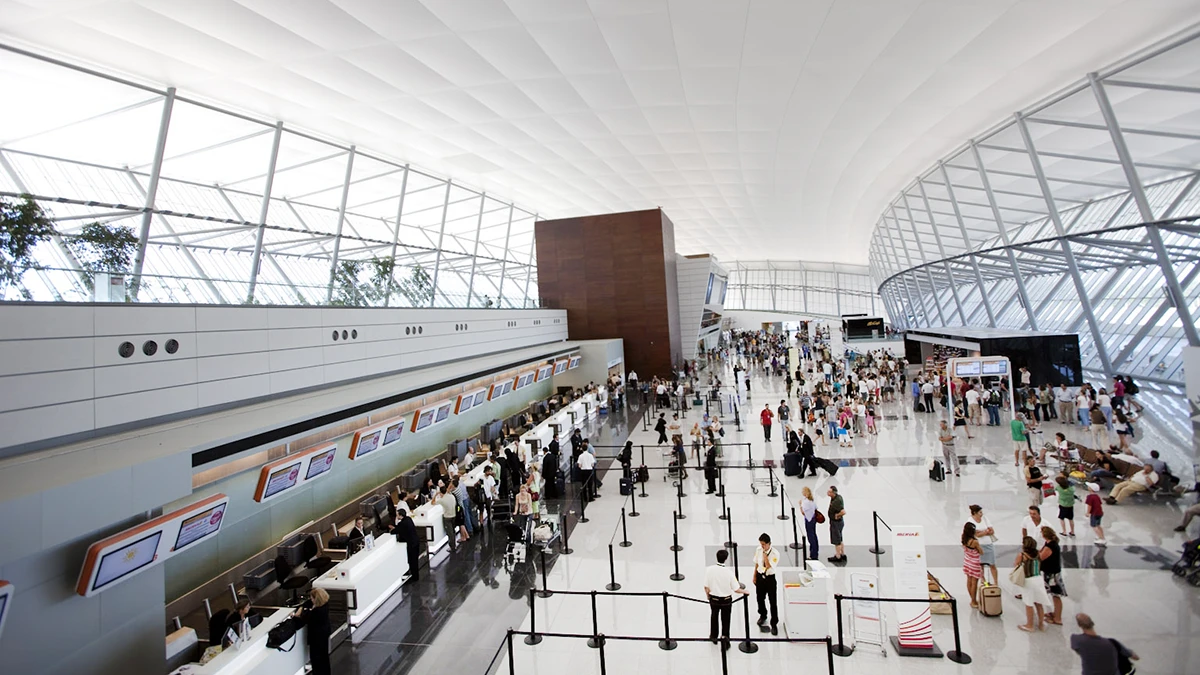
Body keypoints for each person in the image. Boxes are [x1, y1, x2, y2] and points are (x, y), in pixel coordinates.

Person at [704, 548, 749, 650]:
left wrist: (708, 596)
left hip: (714, 598)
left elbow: (706, 586)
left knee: (714, 616)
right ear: (726, 559)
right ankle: (725, 641)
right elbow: (736, 589)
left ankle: (713, 636)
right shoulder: (729, 573)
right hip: (726, 600)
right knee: (726, 620)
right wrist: (745, 592)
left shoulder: (710, 570)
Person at [1071, 613, 1136, 675]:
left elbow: (1078, 650)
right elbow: (1135, 657)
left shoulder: (1076, 639)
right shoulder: (1112, 643)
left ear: (1079, 625)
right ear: (1092, 623)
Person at [292, 587, 332, 675]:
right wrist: (303, 606)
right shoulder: (324, 605)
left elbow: (301, 621)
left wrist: (296, 615)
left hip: (316, 639)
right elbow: (308, 603)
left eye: (312, 598)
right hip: (324, 635)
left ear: (316, 599)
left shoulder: (316, 613)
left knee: (317, 661)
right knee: (324, 659)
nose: (311, 600)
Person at [1015, 536, 1050, 632]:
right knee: (1039, 602)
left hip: (1028, 580)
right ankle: (1041, 624)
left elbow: (1016, 565)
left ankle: (1029, 625)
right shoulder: (1038, 554)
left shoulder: (1022, 555)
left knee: (1029, 603)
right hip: (1038, 579)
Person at [1039, 526, 1067, 625]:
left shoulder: (1050, 546)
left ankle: (1058, 618)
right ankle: (1055, 613)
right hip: (1051, 572)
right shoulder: (1049, 543)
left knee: (1056, 595)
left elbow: (1040, 557)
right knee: (1053, 594)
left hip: (1052, 574)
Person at [753, 533, 780, 635]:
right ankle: (763, 614)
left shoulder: (775, 553)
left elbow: (768, 566)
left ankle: (774, 623)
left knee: (772, 601)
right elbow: (756, 563)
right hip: (760, 577)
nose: (762, 546)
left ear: (769, 544)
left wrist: (765, 556)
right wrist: (754, 576)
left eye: (764, 544)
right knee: (760, 598)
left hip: (770, 578)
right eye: (761, 544)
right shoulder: (758, 550)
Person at [969, 505, 999, 586]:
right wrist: (986, 531)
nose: (981, 514)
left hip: (988, 544)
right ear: (975, 513)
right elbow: (976, 535)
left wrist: (982, 532)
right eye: (980, 512)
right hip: (978, 545)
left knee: (992, 564)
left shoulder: (985, 519)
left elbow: (991, 531)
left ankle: (996, 582)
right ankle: (984, 581)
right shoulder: (970, 521)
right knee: (980, 565)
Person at [393, 508, 420, 581]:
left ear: (400, 515)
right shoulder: (408, 519)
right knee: (414, 561)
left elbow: (395, 531)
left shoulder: (402, 523)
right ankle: (415, 575)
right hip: (416, 542)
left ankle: (414, 577)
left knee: (412, 561)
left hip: (411, 545)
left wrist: (393, 528)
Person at [962, 522, 983, 609]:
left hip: (967, 561)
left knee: (969, 580)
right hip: (974, 563)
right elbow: (981, 552)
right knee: (974, 583)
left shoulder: (964, 538)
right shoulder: (974, 542)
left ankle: (972, 599)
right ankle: (973, 601)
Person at [827, 486, 846, 563]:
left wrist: (837, 515)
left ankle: (838, 556)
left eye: (829, 492)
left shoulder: (836, 502)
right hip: (839, 523)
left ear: (833, 493)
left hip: (836, 523)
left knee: (836, 540)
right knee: (840, 538)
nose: (828, 493)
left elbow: (843, 512)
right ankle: (842, 553)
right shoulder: (838, 498)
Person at [435, 485, 457, 551]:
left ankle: (452, 546)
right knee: (453, 531)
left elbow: (433, 502)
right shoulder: (451, 496)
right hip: (454, 515)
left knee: (450, 533)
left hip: (447, 517)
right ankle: (454, 544)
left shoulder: (442, 500)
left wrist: (436, 495)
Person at [800, 486, 819, 560]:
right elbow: (816, 508)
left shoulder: (806, 502)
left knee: (811, 537)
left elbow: (803, 512)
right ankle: (815, 552)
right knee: (814, 535)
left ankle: (813, 555)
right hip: (813, 519)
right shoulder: (812, 500)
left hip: (809, 520)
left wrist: (800, 505)